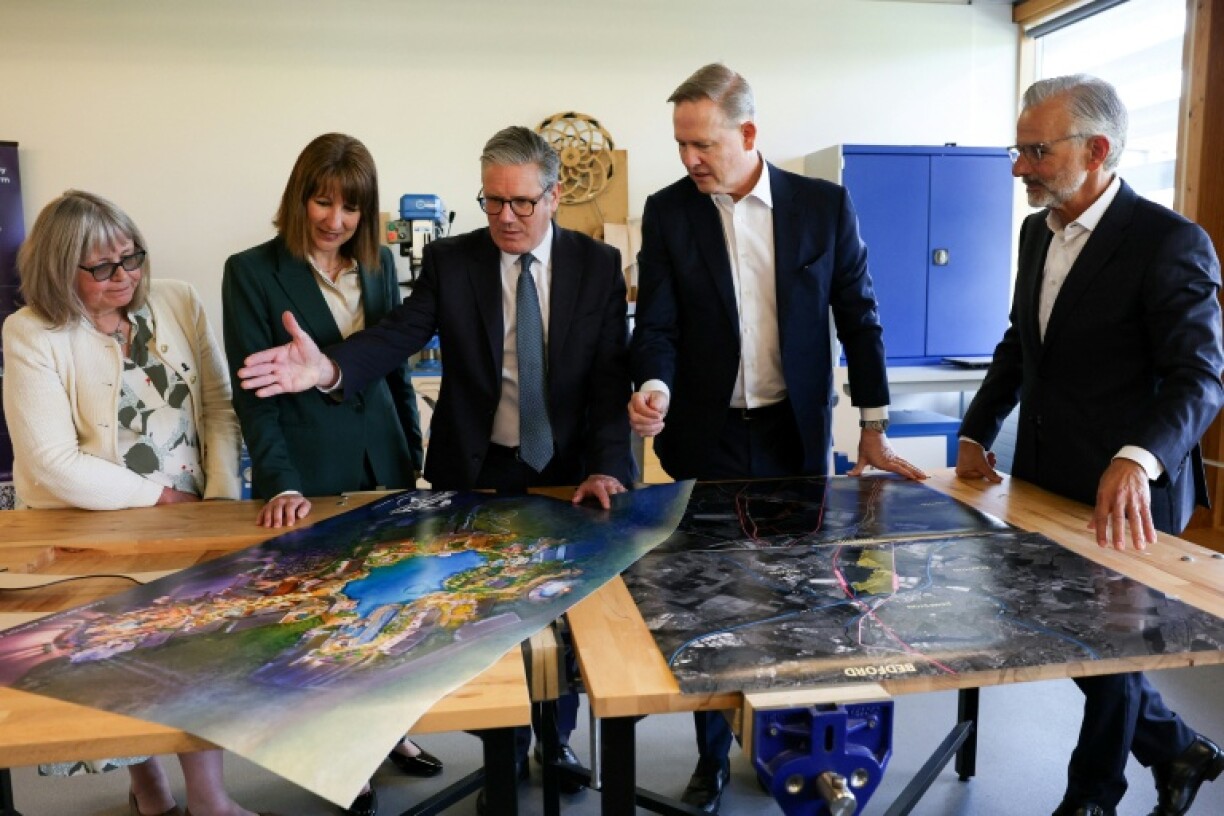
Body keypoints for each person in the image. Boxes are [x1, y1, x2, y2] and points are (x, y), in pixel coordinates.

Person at [236, 125, 635, 807]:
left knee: (561, 612)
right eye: (492, 201)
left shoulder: (596, 267)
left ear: (554, 194)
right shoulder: (455, 261)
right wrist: (329, 367)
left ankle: (556, 740)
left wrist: (607, 465)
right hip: (476, 471)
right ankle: (503, 758)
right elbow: (396, 337)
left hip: (566, 471)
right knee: (481, 618)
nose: (506, 217)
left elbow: (605, 383)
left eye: (521, 203)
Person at [628, 62, 927, 813]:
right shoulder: (668, 213)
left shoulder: (822, 207)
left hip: (794, 435)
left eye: (702, 143)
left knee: (801, 600)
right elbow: (657, 324)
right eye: (680, 144)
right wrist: (655, 386)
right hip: (707, 435)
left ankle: (787, 742)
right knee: (704, 604)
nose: (690, 159)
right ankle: (708, 759)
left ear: (749, 134)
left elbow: (859, 317)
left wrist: (874, 423)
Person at [956, 75, 1224, 816]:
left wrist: (1136, 458)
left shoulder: (1169, 243)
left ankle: (1092, 798)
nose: (1020, 168)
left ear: (1097, 150)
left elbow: (1200, 377)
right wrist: (978, 427)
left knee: (1111, 650)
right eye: (1019, 150)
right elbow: (1021, 344)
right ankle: (1178, 749)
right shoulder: (1035, 231)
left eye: (1035, 151)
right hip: (1046, 479)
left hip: (1130, 495)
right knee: (1074, 644)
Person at [1, 189, 272, 816]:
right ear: (57, 270)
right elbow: (52, 461)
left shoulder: (177, 299)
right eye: (101, 268)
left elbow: (217, 403)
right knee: (117, 663)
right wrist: (163, 497)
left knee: (200, 657)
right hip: (88, 526)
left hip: (193, 518)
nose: (124, 278)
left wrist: (222, 501)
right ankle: (149, 790)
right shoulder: (30, 332)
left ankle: (211, 800)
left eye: (132, 259)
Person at [221, 133, 438, 816]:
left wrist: (414, 453)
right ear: (299, 196)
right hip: (311, 471)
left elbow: (393, 368)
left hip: (386, 466)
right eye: (322, 200)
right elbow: (255, 392)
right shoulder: (251, 271)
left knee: (396, 607)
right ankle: (348, 761)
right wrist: (279, 481)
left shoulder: (375, 267)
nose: (334, 220)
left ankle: (393, 732)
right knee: (331, 620)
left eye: (351, 207)